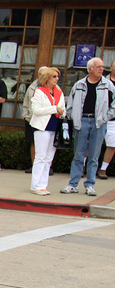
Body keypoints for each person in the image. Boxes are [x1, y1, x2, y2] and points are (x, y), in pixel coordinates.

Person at [60, 58, 115, 197]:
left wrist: (105, 117)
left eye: (103, 67)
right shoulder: (79, 85)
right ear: (90, 69)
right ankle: (73, 184)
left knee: (94, 156)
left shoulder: (108, 85)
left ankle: (90, 185)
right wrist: (74, 117)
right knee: (78, 154)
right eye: (98, 67)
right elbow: (70, 104)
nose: (101, 69)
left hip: (99, 122)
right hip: (82, 121)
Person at [28, 67, 65, 195]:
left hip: (55, 128)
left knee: (49, 158)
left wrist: (60, 111)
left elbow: (63, 110)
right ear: (47, 78)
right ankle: (35, 185)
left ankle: (43, 185)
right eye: (54, 76)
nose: (57, 79)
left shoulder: (60, 93)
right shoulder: (39, 92)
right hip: (41, 128)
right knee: (40, 156)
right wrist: (54, 108)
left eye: (58, 76)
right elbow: (36, 111)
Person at [21, 67, 46, 173]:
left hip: (46, 120)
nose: (42, 76)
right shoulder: (32, 87)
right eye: (40, 74)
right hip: (32, 119)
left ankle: (46, 167)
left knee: (46, 144)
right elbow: (26, 102)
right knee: (33, 143)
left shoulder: (54, 87)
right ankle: (34, 165)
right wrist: (25, 116)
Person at [99, 66, 115, 180]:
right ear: (111, 67)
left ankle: (103, 169)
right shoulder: (103, 81)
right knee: (91, 144)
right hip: (99, 117)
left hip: (113, 120)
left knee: (112, 145)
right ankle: (83, 167)